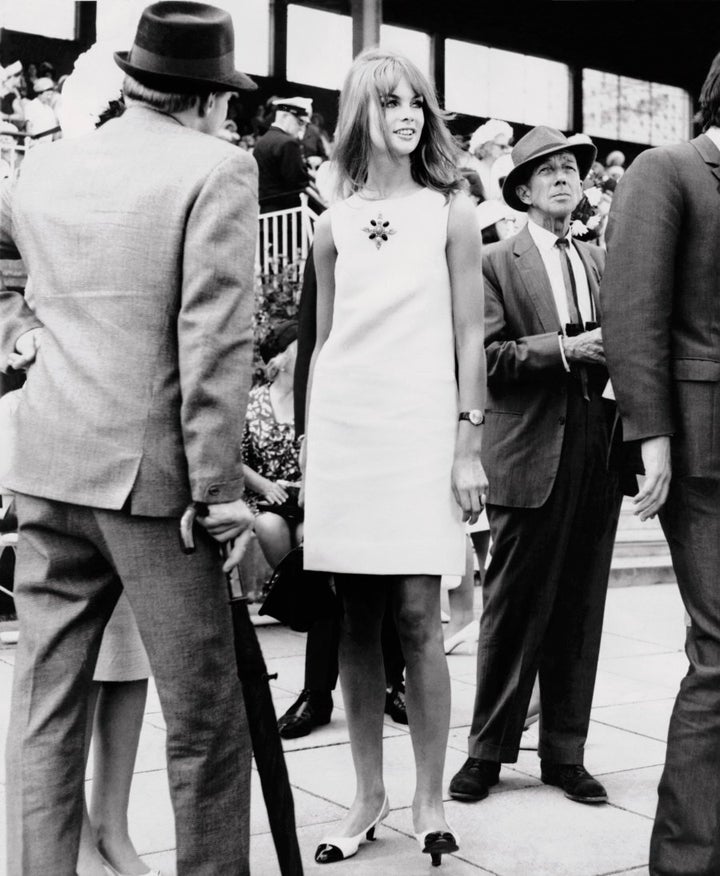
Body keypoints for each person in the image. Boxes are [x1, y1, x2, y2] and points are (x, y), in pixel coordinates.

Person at [0, 3, 259, 874]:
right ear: (207, 99)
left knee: (44, 703)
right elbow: (214, 342)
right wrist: (219, 492)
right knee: (203, 723)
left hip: (46, 463)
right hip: (155, 486)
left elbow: (14, 275)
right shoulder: (218, 168)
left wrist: (19, 329)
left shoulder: (45, 164)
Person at [302, 48, 486, 867]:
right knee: (355, 618)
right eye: (390, 102)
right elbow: (327, 342)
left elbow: (471, 333)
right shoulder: (328, 225)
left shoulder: (451, 212)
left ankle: (430, 797)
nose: (408, 114)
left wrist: (467, 441)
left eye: (417, 101)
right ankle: (366, 794)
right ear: (359, 116)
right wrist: (314, 445)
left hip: (420, 431)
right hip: (348, 430)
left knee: (418, 611)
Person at [449, 126, 623, 808]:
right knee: (513, 611)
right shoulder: (497, 260)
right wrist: (564, 349)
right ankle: (485, 754)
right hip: (528, 449)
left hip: (598, 445)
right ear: (520, 190)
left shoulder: (601, 256)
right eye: (546, 171)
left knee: (581, 609)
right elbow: (484, 359)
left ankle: (565, 754)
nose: (563, 178)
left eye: (571, 170)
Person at [601, 51, 720, 876]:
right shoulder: (669, 168)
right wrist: (653, 438)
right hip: (703, 448)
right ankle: (685, 861)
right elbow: (631, 310)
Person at [253, 95, 313, 212]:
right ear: (285, 116)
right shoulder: (288, 143)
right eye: (300, 122)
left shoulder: (262, 140)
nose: (302, 128)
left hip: (265, 214)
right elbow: (298, 182)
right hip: (286, 216)